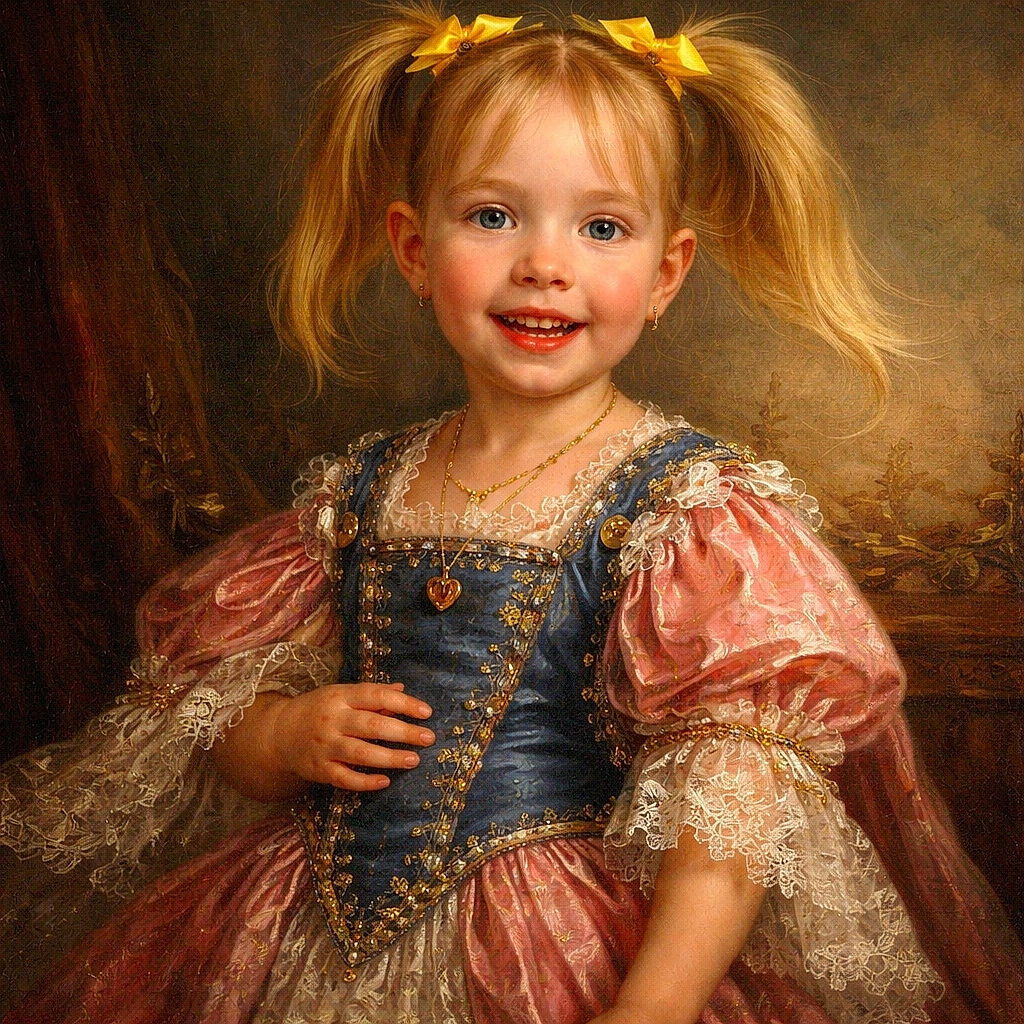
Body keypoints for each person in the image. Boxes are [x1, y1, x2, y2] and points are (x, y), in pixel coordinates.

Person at [1, 5, 1022, 1022]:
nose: (543, 262)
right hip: (298, 926)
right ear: (410, 247)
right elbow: (216, 708)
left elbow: (732, 810)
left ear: (666, 273)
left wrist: (648, 1010)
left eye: (601, 227)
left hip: (556, 951)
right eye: (492, 216)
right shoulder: (356, 498)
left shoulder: (686, 513)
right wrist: (282, 736)